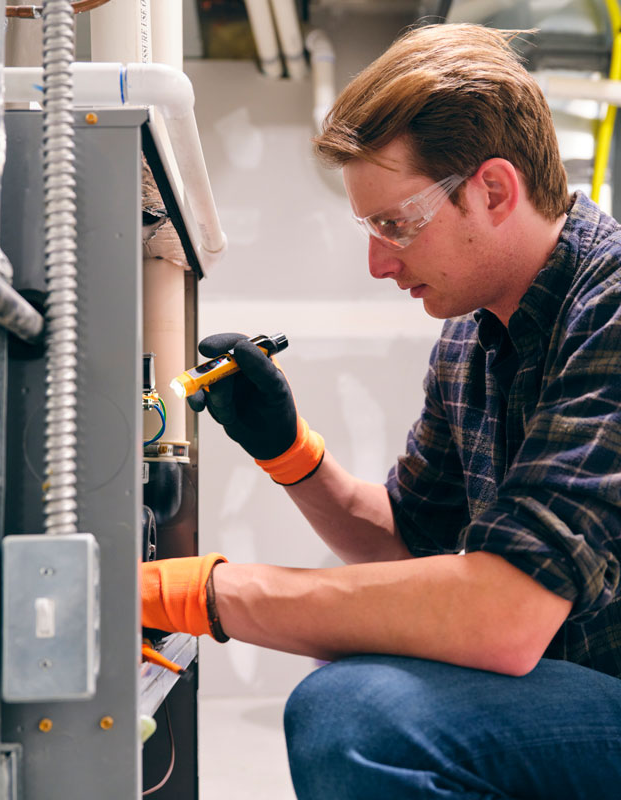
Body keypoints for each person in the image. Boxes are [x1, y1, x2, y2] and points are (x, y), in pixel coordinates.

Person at [142, 22, 621, 799]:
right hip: (572, 683)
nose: (378, 262)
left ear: (494, 190)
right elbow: (410, 544)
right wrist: (291, 454)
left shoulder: (610, 305)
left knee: (358, 712)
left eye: (396, 224)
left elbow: (503, 614)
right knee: (361, 683)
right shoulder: (472, 335)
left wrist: (202, 594)